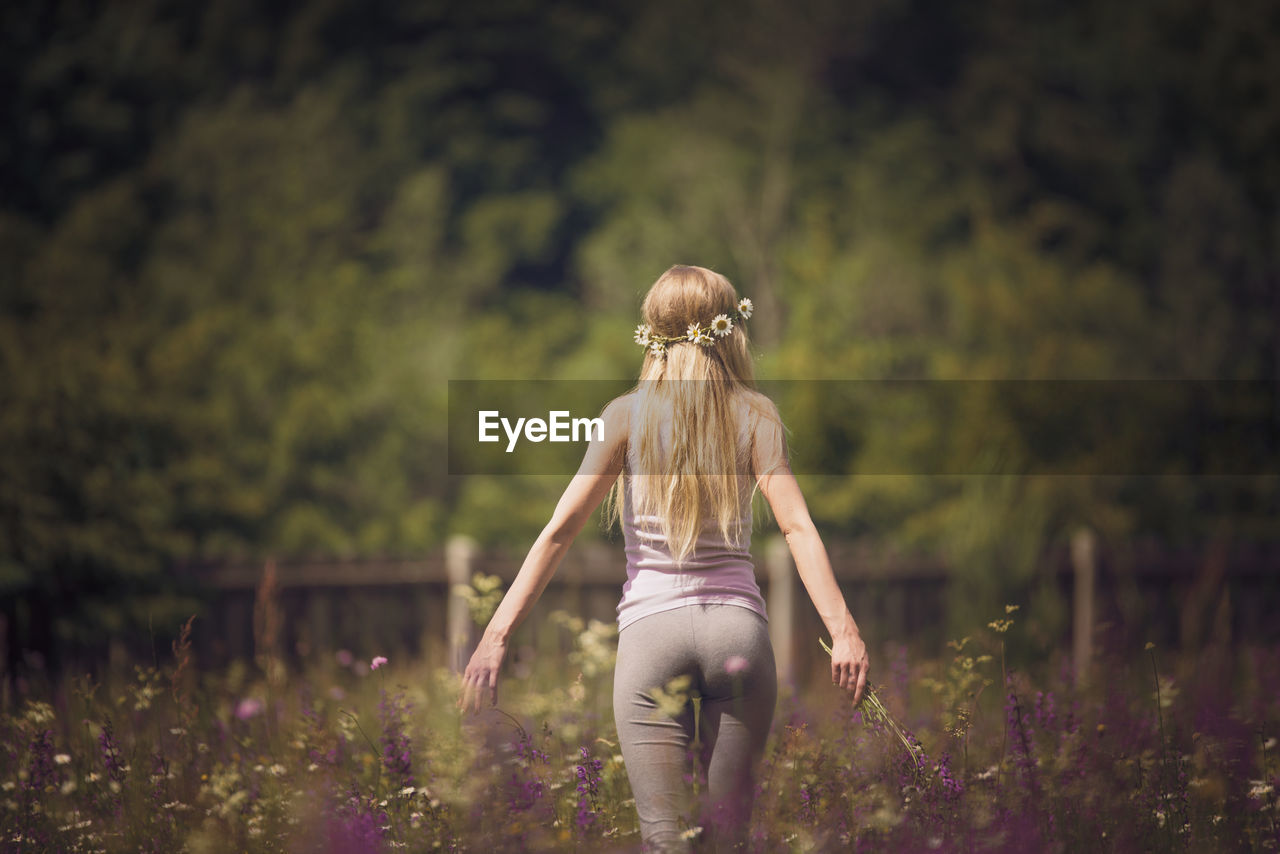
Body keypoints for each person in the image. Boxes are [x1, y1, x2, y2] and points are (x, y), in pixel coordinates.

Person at [459, 265, 869, 852]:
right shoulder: (756, 415)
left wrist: (495, 636)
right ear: (731, 331)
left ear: (651, 332)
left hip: (651, 635)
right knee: (727, 840)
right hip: (739, 634)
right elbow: (798, 527)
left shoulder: (624, 416)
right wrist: (845, 631)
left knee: (665, 840)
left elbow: (559, 532)